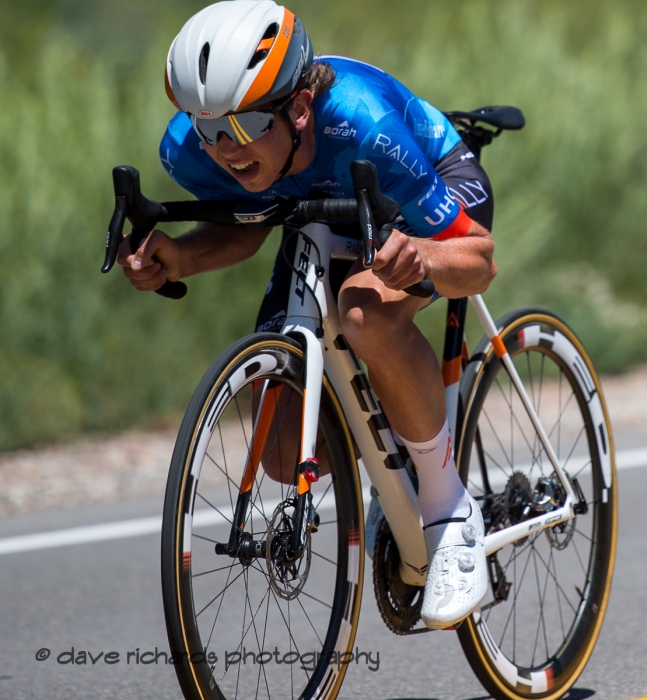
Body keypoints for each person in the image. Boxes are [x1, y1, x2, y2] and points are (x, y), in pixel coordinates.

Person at [118, 0, 496, 630]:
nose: (224, 149)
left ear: (298, 106)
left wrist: (421, 258)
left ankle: (448, 506)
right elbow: (247, 220)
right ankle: (390, 468)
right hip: (317, 206)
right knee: (277, 447)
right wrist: (177, 257)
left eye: (243, 128)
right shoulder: (194, 146)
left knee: (364, 312)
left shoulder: (364, 124)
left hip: (416, 189)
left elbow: (478, 260)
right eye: (208, 129)